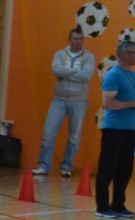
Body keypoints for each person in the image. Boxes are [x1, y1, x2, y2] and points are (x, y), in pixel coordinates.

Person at [95, 41, 135, 220]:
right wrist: (132, 104)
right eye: (134, 53)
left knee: (125, 169)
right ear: (125, 54)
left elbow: (134, 102)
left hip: (128, 130)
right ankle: (102, 207)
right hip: (114, 129)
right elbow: (108, 103)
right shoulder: (113, 75)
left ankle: (118, 205)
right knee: (107, 168)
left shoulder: (132, 76)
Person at [33, 28, 94, 178]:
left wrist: (65, 74)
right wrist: (74, 72)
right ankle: (43, 165)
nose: (78, 42)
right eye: (75, 39)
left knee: (74, 136)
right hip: (58, 100)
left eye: (80, 39)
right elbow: (56, 70)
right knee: (48, 134)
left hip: (78, 101)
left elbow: (86, 75)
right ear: (69, 40)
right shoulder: (60, 54)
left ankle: (66, 166)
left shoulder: (89, 57)